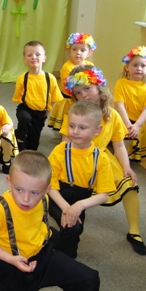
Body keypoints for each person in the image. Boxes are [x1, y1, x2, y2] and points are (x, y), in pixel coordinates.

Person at [0, 151, 100, 291]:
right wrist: (11, 259)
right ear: (9, 182)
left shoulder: (44, 199)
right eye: (19, 189)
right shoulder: (0, 209)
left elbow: (38, 224)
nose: (26, 199)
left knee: (88, 279)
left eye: (34, 192)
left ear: (47, 190)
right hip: (15, 264)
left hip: (44, 254)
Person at [61, 66, 146, 255]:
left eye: (87, 88)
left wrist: (126, 167)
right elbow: (65, 143)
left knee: (129, 185)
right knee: (67, 193)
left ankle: (134, 231)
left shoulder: (112, 115)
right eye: (78, 92)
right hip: (76, 158)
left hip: (102, 160)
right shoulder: (73, 113)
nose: (83, 95)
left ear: (99, 87)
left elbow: (119, 145)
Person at [48, 101, 115, 259]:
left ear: (97, 130)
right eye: (71, 126)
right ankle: (65, 260)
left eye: (82, 128)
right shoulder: (60, 150)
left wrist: (79, 205)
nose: (75, 131)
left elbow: (104, 194)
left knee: (74, 230)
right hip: (57, 197)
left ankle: (49, 237)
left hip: (81, 200)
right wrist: (67, 208)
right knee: (71, 227)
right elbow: (50, 185)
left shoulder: (101, 158)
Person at [12, 40, 63, 151]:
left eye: (37, 54)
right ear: (25, 60)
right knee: (25, 119)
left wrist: (46, 115)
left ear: (44, 58)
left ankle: (19, 137)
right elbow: (19, 99)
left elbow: (54, 99)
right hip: (25, 109)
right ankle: (19, 139)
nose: (33, 57)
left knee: (33, 145)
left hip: (40, 113)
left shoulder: (50, 78)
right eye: (29, 55)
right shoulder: (22, 78)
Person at [113, 46, 146, 162]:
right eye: (135, 65)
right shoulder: (121, 83)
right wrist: (128, 125)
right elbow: (120, 105)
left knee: (128, 149)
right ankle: (119, 165)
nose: (139, 68)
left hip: (138, 122)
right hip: (123, 120)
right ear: (127, 67)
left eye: (143, 66)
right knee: (121, 149)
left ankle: (126, 161)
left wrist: (137, 125)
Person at [48, 33, 96, 131]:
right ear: (69, 50)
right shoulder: (67, 67)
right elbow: (69, 86)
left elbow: (93, 81)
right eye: (74, 49)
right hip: (70, 98)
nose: (78, 53)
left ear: (89, 53)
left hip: (83, 97)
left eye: (82, 50)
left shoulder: (90, 65)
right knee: (69, 120)